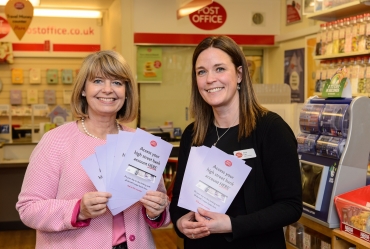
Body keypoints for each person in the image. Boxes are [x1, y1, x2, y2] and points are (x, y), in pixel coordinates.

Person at [16, 50, 170, 249]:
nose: (108, 89)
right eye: (98, 81)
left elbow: (159, 208)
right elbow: (28, 208)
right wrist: (78, 209)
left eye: (117, 82)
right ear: (83, 89)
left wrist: (157, 210)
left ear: (126, 92)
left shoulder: (141, 142)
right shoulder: (56, 141)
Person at [169, 36, 302, 248]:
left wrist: (232, 224)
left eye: (219, 69)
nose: (210, 79)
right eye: (201, 72)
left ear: (239, 74)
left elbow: (290, 206)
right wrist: (180, 222)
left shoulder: (270, 129)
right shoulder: (193, 134)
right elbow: (178, 201)